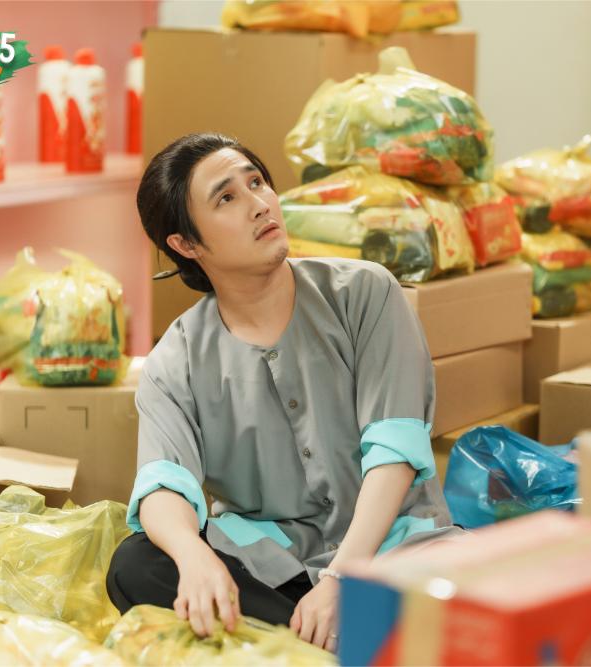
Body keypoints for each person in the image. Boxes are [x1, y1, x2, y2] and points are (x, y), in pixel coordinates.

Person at [106, 133, 459, 653]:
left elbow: (395, 452)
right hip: (276, 571)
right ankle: (328, 644)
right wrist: (194, 557)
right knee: (137, 564)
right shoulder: (174, 360)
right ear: (186, 244)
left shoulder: (365, 293)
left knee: (473, 607)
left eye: (257, 182)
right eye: (227, 197)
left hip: (393, 551)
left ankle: (306, 645)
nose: (259, 204)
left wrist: (340, 579)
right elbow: (163, 484)